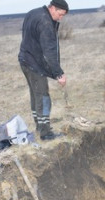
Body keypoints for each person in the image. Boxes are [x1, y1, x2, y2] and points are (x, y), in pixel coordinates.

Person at [18, 0, 69, 141]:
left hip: (25, 60)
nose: (61, 18)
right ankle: (45, 133)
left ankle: (39, 126)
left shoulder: (33, 13)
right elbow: (49, 52)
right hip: (34, 65)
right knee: (43, 97)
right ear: (53, 8)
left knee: (35, 95)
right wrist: (59, 74)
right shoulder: (46, 23)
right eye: (60, 14)